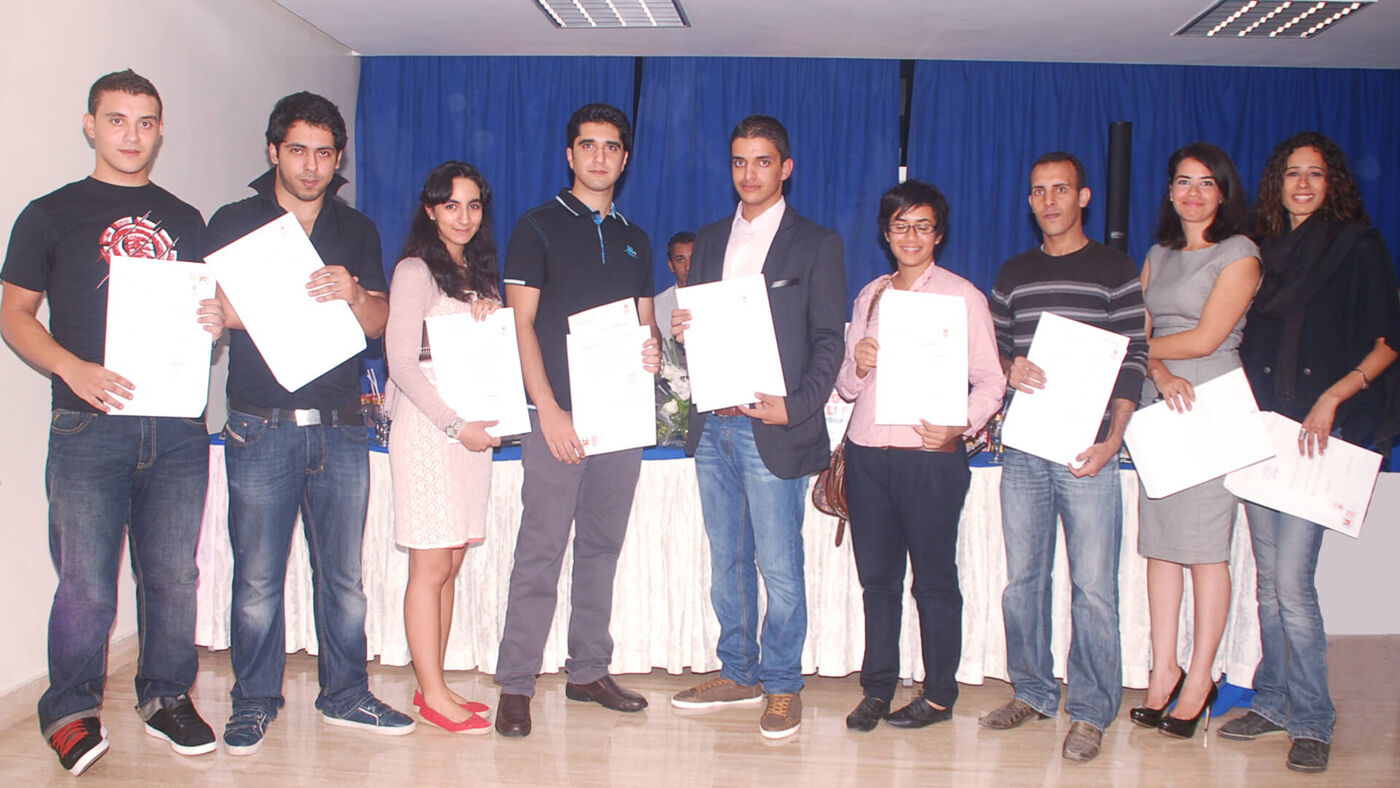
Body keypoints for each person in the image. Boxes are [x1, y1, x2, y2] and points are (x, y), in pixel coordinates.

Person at [1, 69, 223, 776]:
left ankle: (165, 696)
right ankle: (68, 709)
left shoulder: (186, 219)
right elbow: (13, 313)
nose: (132, 134)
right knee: (86, 583)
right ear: (91, 125)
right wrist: (73, 368)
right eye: (118, 119)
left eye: (146, 122)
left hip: (176, 428)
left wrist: (214, 323)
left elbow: (197, 318)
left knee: (172, 576)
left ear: (160, 131)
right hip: (87, 426)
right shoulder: (49, 213)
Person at [209, 91, 413, 755]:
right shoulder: (235, 220)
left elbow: (379, 326)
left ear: (338, 158)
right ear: (274, 151)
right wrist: (265, 305)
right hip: (258, 424)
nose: (310, 165)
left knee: (344, 579)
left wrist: (353, 292)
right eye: (297, 149)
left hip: (343, 424)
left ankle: (345, 693)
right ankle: (254, 701)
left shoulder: (356, 230)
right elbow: (211, 310)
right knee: (259, 578)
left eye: (324, 152)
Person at [1218, 132, 1400, 774]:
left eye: (1315, 174)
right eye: (1292, 174)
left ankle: (1315, 719)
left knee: (1294, 586)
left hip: (1322, 434)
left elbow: (1387, 343)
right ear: (1277, 183)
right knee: (1268, 586)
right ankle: (1273, 701)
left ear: (1333, 184)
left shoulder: (1358, 247)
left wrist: (1333, 397)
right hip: (1263, 434)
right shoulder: (1261, 253)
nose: (1302, 184)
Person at [669, 115, 846, 740]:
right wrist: (686, 330)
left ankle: (782, 684)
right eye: (740, 161)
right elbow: (707, 324)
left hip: (772, 426)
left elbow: (829, 340)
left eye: (763, 161)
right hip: (714, 424)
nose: (750, 173)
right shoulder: (713, 238)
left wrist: (794, 405)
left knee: (779, 564)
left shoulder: (818, 244)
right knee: (728, 560)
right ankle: (738, 670)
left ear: (785, 167)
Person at [493, 103, 661, 737]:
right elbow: (521, 324)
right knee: (540, 550)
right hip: (555, 417)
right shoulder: (536, 227)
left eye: (611, 147)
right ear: (570, 155)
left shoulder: (636, 237)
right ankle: (516, 683)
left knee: (600, 549)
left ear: (624, 157)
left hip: (620, 419)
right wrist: (550, 412)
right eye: (587, 145)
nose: (599, 156)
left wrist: (651, 349)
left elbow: (644, 325)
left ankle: (588, 670)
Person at [980, 151, 1148, 763]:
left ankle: (1092, 710)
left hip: (1088, 449)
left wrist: (1113, 440)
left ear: (1084, 197)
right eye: (1038, 191)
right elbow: (993, 350)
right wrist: (1008, 366)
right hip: (1024, 449)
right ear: (1029, 201)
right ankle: (1032, 690)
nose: (1049, 200)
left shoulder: (1115, 269)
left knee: (1094, 589)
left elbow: (1134, 358)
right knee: (1023, 582)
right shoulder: (1013, 272)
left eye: (1061, 190)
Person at [835, 180, 1005, 732]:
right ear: (886, 234)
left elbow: (991, 382)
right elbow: (844, 387)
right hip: (867, 454)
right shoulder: (870, 296)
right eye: (900, 226)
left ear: (939, 233)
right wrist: (859, 362)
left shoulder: (963, 297)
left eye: (923, 226)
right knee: (877, 580)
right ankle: (877, 688)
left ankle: (938, 694)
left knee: (933, 580)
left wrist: (961, 425)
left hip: (931, 458)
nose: (911, 236)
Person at [1129, 142, 1260, 742]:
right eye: (1182, 182)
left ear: (1224, 192)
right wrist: (1153, 371)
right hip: (1163, 395)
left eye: (1206, 183)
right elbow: (1141, 329)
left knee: (1207, 549)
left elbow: (1207, 338)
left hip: (1211, 398)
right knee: (1160, 545)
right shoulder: (1158, 253)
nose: (1193, 193)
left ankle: (1202, 678)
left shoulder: (1240, 254)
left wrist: (1135, 354)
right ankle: (1164, 674)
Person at [384, 161, 503, 735]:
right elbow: (403, 363)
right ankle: (431, 694)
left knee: (450, 563)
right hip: (432, 434)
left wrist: (489, 315)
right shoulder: (414, 270)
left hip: (467, 439)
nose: (464, 216)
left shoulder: (476, 274)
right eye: (451, 204)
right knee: (430, 565)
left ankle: (435, 683)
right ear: (430, 209)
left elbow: (488, 357)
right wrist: (456, 426)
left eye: (474, 205)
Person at [653, 231, 694, 337]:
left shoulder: (717, 300)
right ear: (671, 266)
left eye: (693, 258)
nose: (688, 266)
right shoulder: (657, 307)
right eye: (681, 260)